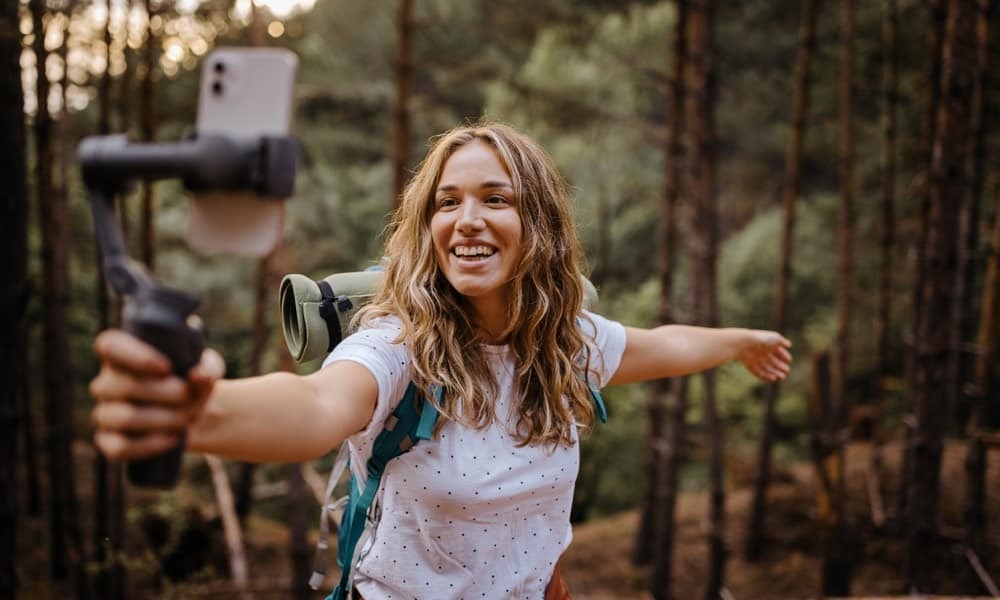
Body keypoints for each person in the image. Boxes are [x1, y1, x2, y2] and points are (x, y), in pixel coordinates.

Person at [90, 122, 792, 599]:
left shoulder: (564, 340)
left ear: (538, 228)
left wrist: (739, 342)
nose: (467, 220)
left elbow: (660, 344)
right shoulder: (400, 344)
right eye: (447, 202)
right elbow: (314, 406)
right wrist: (198, 411)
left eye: (497, 199)